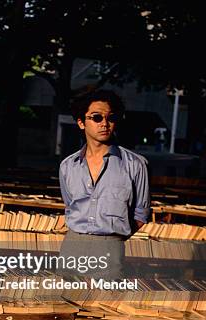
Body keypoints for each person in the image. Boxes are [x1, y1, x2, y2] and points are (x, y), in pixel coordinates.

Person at [58, 90, 149, 276]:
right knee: (64, 302)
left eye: (111, 117)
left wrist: (114, 236)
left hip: (111, 247)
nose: (104, 124)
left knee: (105, 301)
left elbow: (141, 212)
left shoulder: (135, 164)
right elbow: (70, 205)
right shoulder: (68, 166)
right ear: (81, 123)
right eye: (97, 117)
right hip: (72, 245)